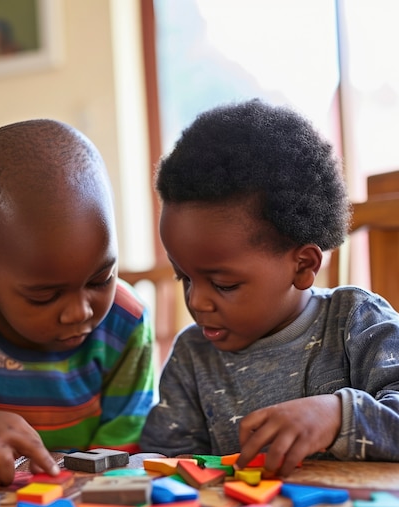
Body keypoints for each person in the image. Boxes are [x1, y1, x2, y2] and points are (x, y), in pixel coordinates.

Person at [140, 98, 399, 476]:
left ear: (303, 265)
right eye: (185, 278)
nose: (197, 301)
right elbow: (164, 466)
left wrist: (337, 414)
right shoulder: (193, 356)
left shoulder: (356, 322)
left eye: (224, 284)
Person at [0, 119, 155, 490]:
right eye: (44, 295)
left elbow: (125, 450)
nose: (80, 311)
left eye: (100, 279)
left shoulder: (125, 322)